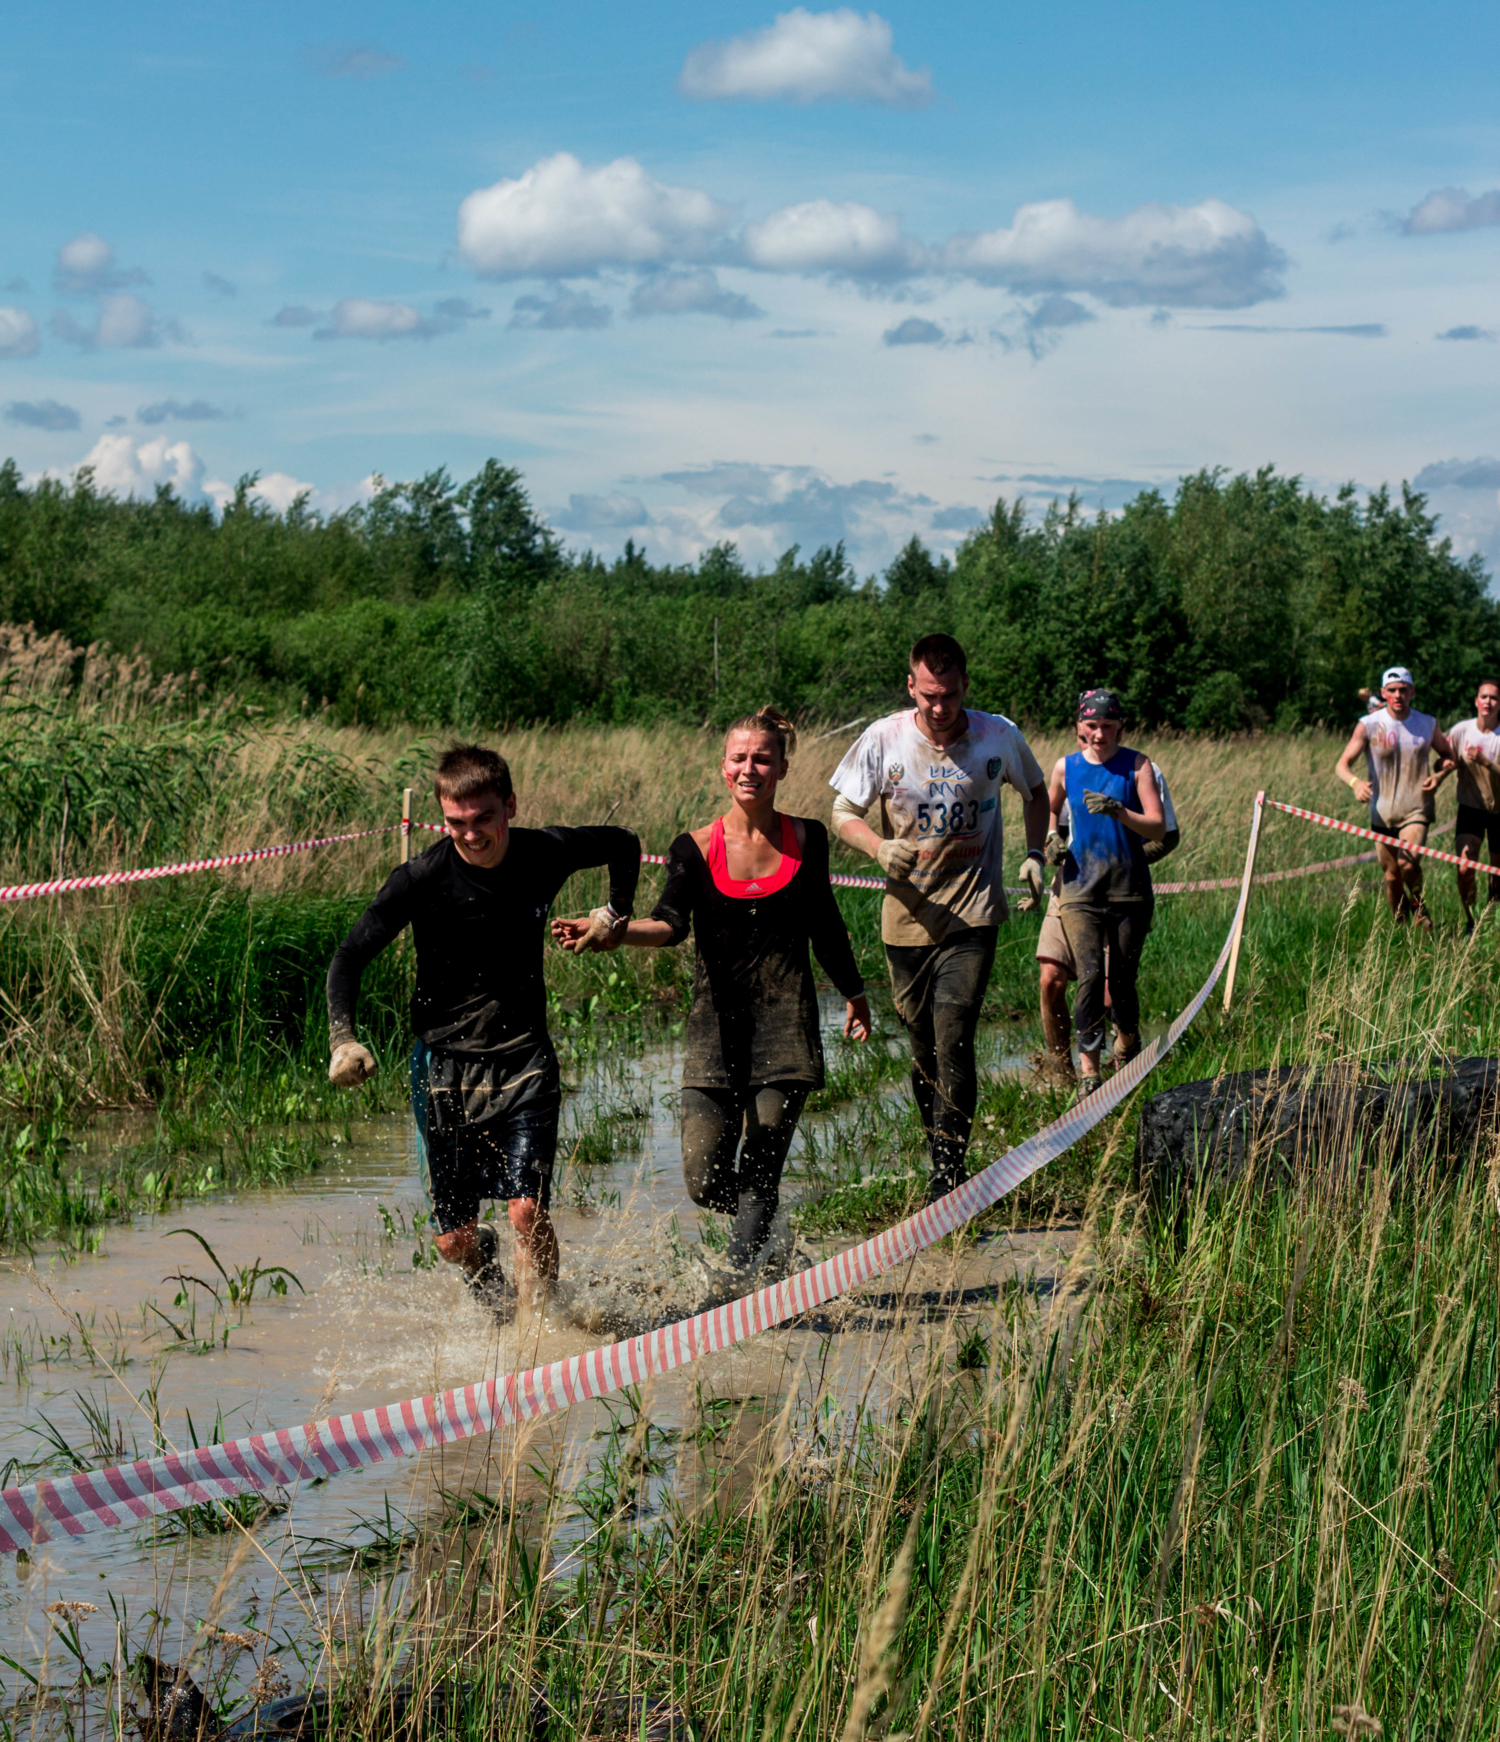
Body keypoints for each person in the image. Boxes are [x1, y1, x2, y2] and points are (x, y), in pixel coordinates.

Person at [554, 709, 870, 1274]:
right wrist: (614, 932)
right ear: (724, 768)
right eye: (739, 758)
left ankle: (734, 1288)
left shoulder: (809, 839)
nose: (750, 769)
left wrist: (854, 992)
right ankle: (772, 1236)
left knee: (763, 1163)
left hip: (785, 1028)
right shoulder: (694, 848)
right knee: (703, 1181)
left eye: (763, 759)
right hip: (714, 1031)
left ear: (782, 768)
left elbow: (826, 923)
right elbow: (670, 924)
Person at [326, 744, 640, 1310]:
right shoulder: (419, 878)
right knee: (453, 1241)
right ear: (443, 816)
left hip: (524, 1057)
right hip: (442, 1066)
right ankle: (492, 1291)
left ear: (509, 806)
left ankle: (543, 1326)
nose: (470, 836)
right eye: (456, 823)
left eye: (483, 820)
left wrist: (613, 916)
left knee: (526, 1208)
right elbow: (349, 956)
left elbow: (623, 843)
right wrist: (342, 1039)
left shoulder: (545, 852)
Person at [828, 634, 1049, 1201]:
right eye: (928, 694)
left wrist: (1034, 853)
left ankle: (949, 1180)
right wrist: (877, 848)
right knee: (923, 1047)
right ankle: (938, 1150)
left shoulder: (997, 734)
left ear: (965, 687)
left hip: (973, 913)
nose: (939, 706)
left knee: (954, 1037)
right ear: (911, 687)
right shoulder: (884, 738)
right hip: (906, 918)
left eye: (949, 694)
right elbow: (842, 811)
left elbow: (1037, 789)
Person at [1037, 727, 1180, 1083]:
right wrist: (1049, 842)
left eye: (1105, 727)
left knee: (1109, 985)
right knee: (1051, 978)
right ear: (1077, 730)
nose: (1096, 737)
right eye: (1088, 729)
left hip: (1119, 889)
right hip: (1069, 888)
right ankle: (1062, 1071)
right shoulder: (1066, 769)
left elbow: (1168, 834)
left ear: (1118, 728)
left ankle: (1122, 1056)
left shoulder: (1140, 768)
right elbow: (1047, 816)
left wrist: (1124, 860)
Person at [1334, 665, 1456, 929]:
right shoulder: (1368, 725)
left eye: (1403, 689)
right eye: (1392, 690)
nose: (1398, 695)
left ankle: (1419, 908)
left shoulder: (1426, 723)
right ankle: (1401, 934)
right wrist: (1355, 783)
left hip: (1417, 808)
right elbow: (1341, 765)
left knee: (1408, 864)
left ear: (1412, 692)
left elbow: (1448, 756)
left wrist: (1438, 776)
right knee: (1392, 877)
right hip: (1382, 811)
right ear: (1383, 693)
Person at [1446, 679, 1500, 931]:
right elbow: (1445, 758)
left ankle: (1491, 918)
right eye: (1484, 697)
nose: (1488, 702)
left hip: (1499, 810)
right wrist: (1439, 770)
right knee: (1465, 866)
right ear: (1476, 701)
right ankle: (1471, 921)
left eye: (1494, 698)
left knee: (1496, 873)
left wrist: (1486, 761)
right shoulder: (1461, 730)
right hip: (1470, 807)